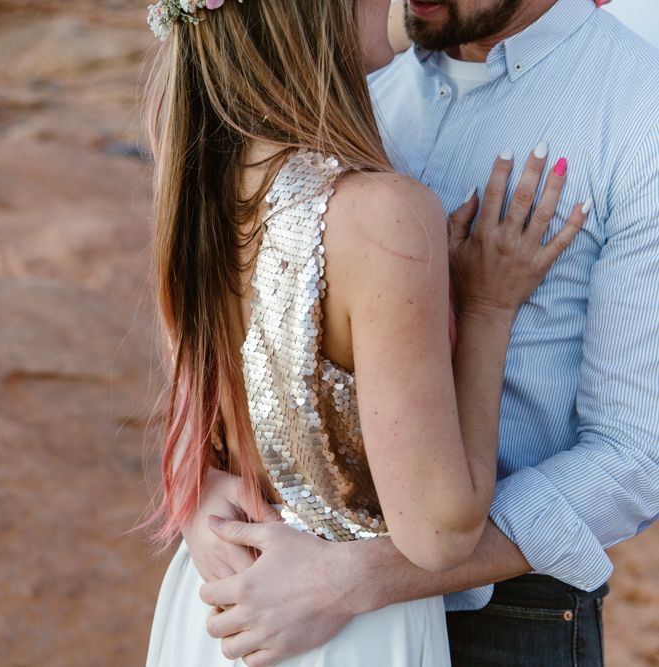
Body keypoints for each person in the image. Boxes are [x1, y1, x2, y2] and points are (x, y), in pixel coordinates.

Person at [187, 0, 659, 665]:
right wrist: (203, 486)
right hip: (271, 592)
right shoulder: (353, 77)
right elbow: (243, 314)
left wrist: (357, 577)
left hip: (503, 614)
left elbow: (634, 456)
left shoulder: (641, 112)